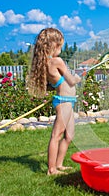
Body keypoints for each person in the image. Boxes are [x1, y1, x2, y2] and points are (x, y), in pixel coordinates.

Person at [27, 28, 81, 175]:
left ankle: (59, 165)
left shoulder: (48, 62)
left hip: (68, 101)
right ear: (53, 45)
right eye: (60, 46)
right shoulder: (57, 61)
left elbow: (55, 83)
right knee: (57, 135)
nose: (61, 49)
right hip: (64, 101)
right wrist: (79, 77)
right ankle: (52, 169)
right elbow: (71, 81)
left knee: (69, 136)